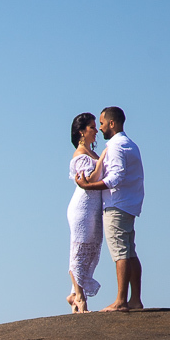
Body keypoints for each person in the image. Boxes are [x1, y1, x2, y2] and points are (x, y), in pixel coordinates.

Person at [74, 106, 144, 311]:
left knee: (120, 252)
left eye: (102, 123)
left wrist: (89, 186)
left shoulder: (115, 146)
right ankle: (135, 300)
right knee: (130, 251)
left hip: (116, 204)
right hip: (130, 204)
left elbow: (115, 177)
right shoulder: (130, 144)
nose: (101, 128)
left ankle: (121, 301)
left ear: (112, 123)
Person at [66, 113, 104, 313]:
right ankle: (80, 297)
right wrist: (104, 157)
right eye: (91, 127)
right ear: (82, 132)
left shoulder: (92, 154)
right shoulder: (80, 155)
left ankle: (74, 293)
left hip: (95, 209)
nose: (95, 130)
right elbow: (88, 180)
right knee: (79, 249)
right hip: (82, 208)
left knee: (92, 251)